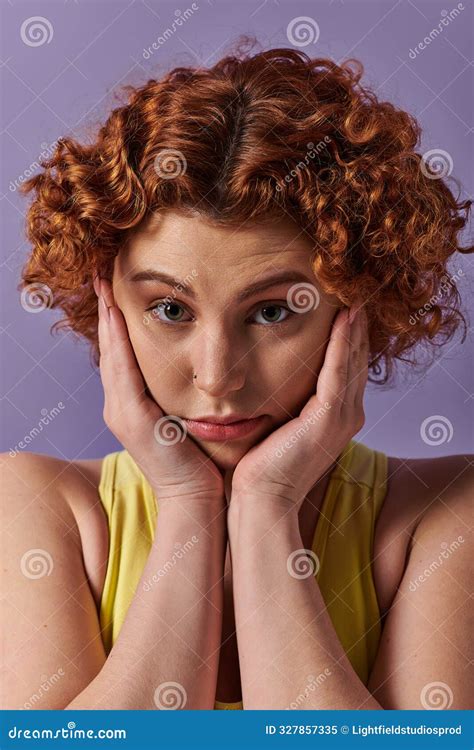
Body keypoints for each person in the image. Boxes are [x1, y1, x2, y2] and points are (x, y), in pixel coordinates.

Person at [2, 45, 472, 711]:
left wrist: (266, 509)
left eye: (274, 311)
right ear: (111, 308)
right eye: (169, 310)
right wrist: (188, 506)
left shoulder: (450, 515)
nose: (218, 376)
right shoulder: (34, 505)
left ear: (360, 304)